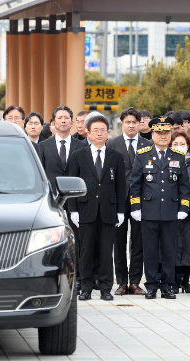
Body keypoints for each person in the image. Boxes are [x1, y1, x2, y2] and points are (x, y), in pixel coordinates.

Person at [130, 116, 190, 299]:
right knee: (149, 250)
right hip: (149, 211)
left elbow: (184, 186)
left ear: (171, 134)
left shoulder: (178, 156)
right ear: (153, 134)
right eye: (159, 133)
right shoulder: (143, 155)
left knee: (169, 250)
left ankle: (167, 285)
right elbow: (135, 184)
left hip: (171, 212)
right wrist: (136, 207)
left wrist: (183, 208)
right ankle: (151, 285)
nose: (163, 136)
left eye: (166, 133)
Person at [68, 112, 126, 301]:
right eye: (95, 130)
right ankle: (85, 287)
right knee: (85, 251)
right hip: (85, 210)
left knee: (105, 251)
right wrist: (73, 209)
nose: (99, 133)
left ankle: (106, 288)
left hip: (108, 211)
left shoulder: (115, 156)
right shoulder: (78, 156)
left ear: (108, 132)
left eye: (103, 130)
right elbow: (72, 184)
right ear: (88, 132)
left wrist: (120, 211)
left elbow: (120, 185)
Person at [38, 106, 87, 286]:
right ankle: (52, 275)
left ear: (72, 123)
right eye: (60, 118)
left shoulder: (82, 146)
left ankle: (78, 278)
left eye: (67, 118)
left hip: (77, 201)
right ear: (53, 123)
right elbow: (41, 173)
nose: (64, 121)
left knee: (78, 240)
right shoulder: (43, 146)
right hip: (52, 201)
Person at [105, 107, 152, 296]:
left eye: (134, 122)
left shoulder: (148, 144)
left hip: (142, 198)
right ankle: (122, 282)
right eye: (127, 122)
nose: (131, 125)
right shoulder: (112, 144)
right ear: (121, 124)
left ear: (140, 124)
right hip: (119, 198)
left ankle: (135, 282)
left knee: (138, 242)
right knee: (119, 241)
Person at [170, 130, 190, 293]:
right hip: (172, 208)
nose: (179, 147)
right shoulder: (167, 160)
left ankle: (186, 281)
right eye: (175, 144)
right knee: (174, 245)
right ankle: (174, 281)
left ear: (188, 145)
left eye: (182, 144)